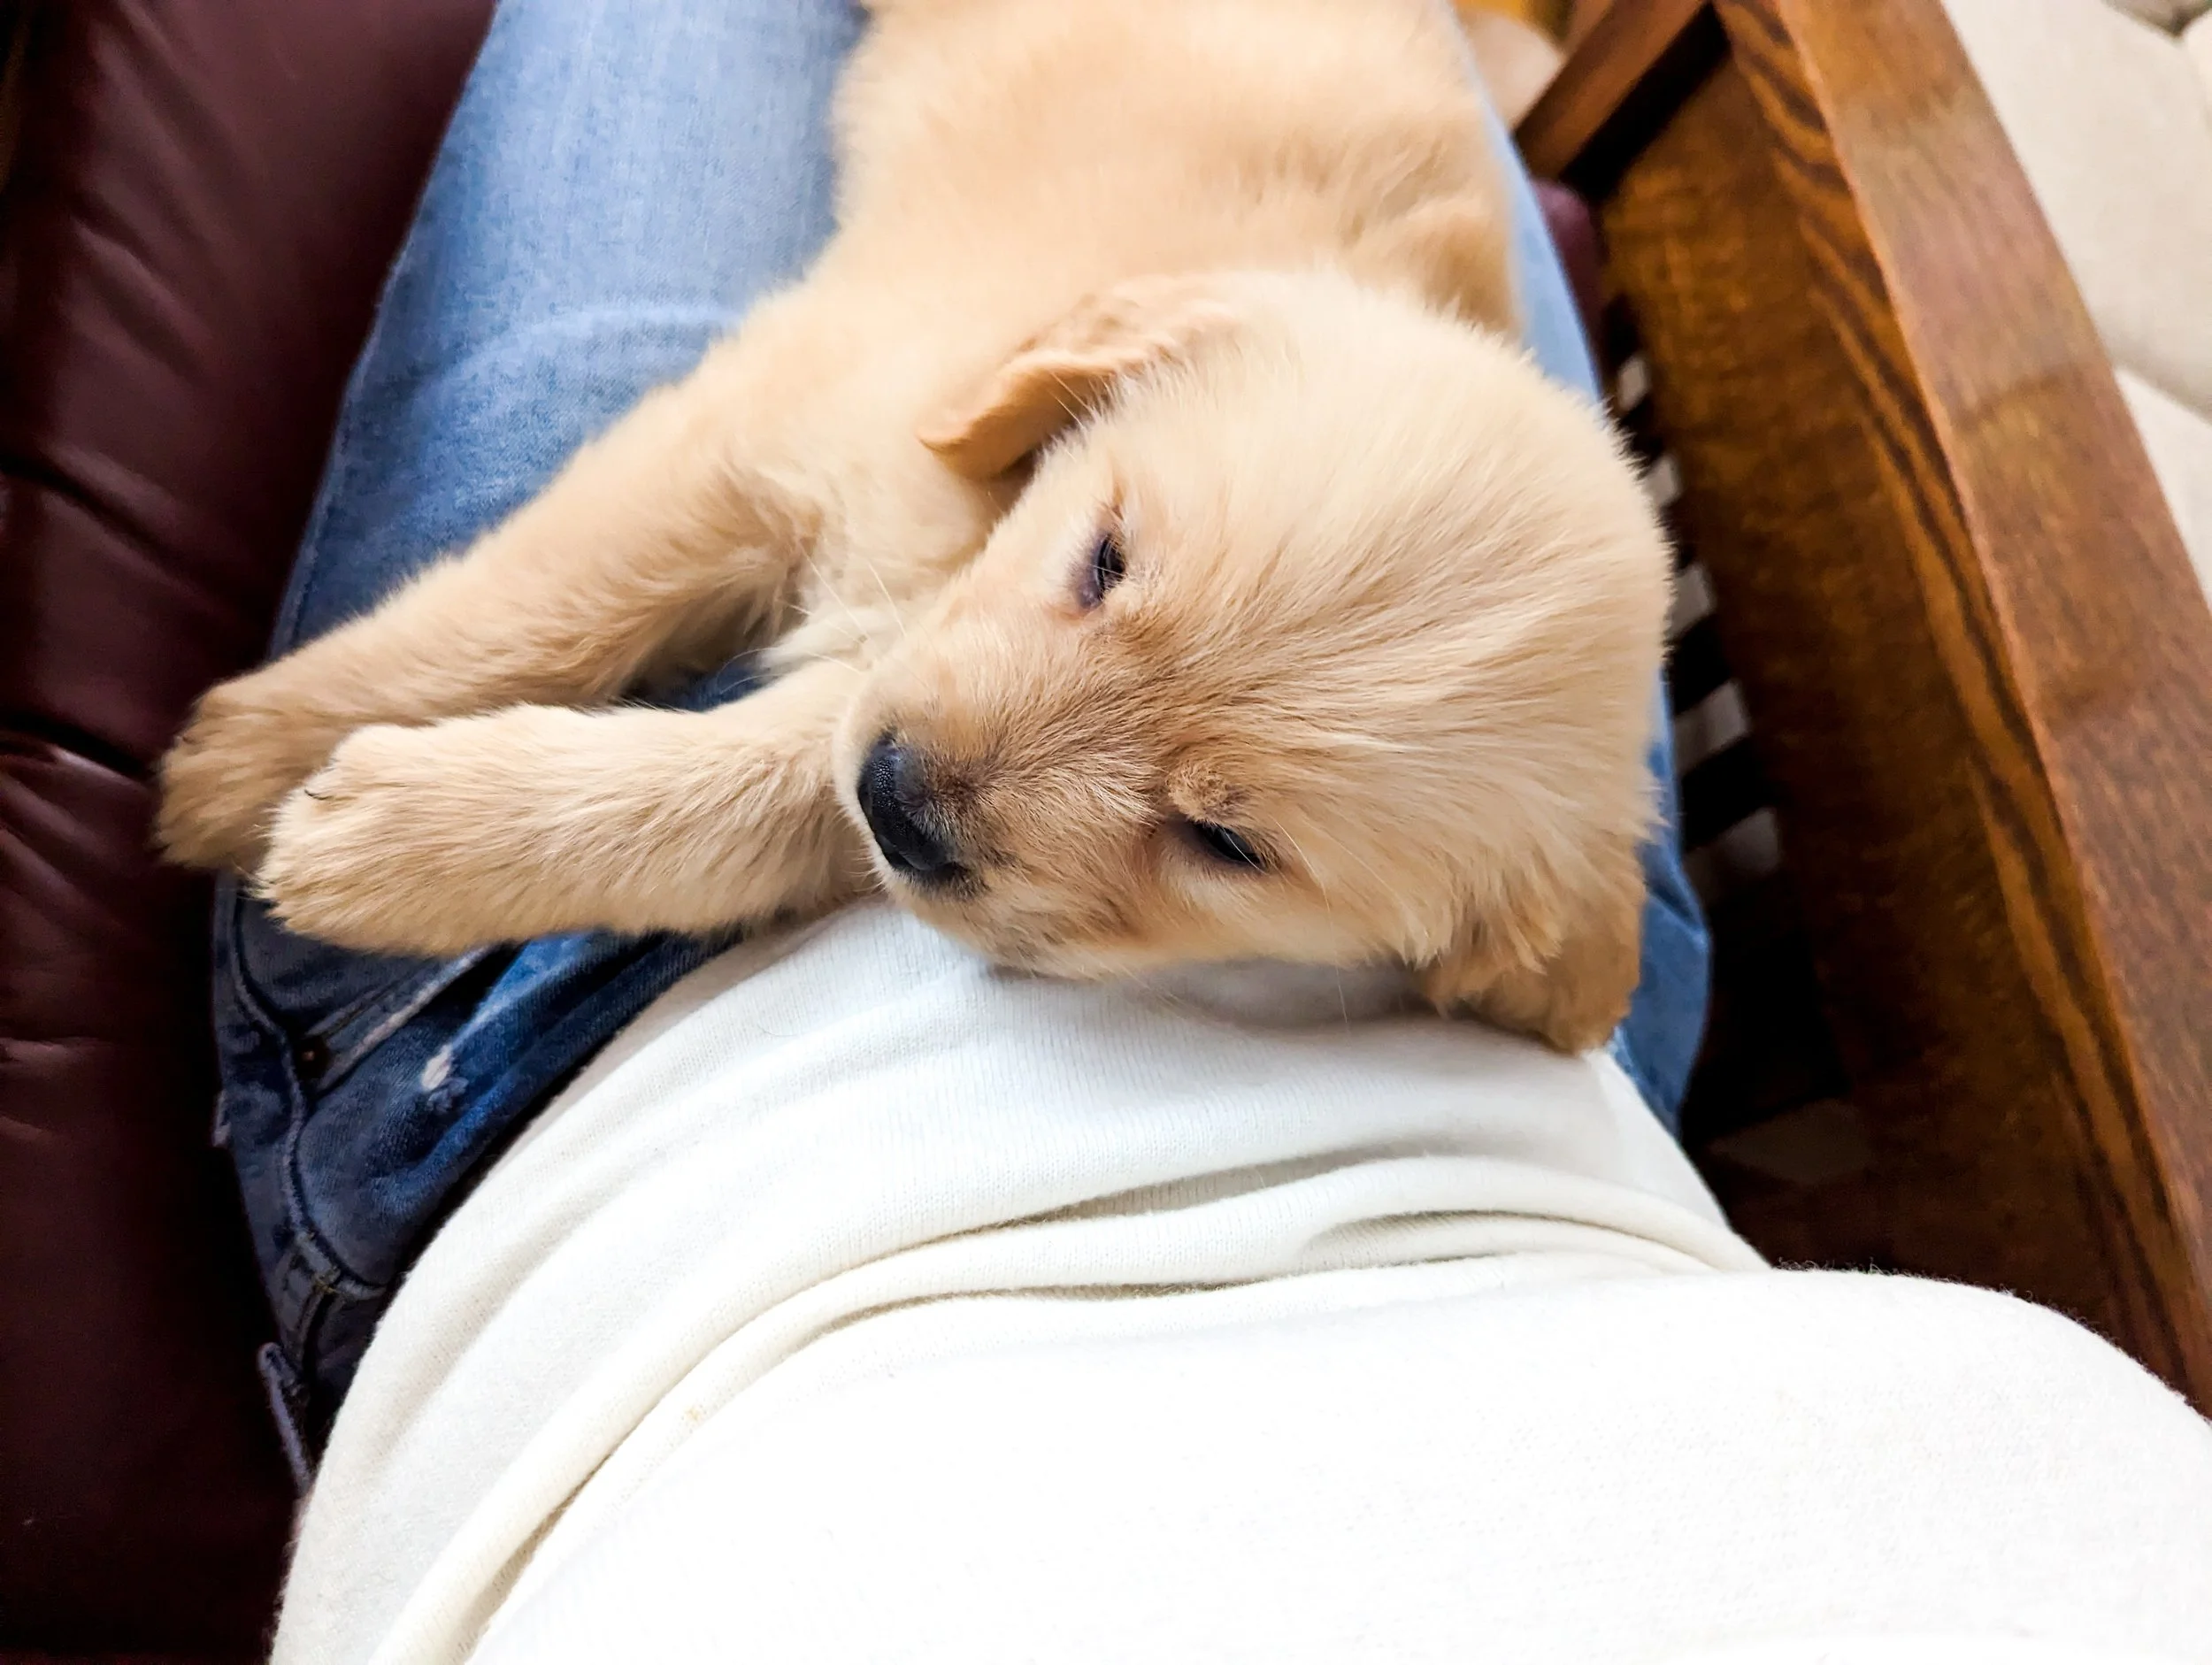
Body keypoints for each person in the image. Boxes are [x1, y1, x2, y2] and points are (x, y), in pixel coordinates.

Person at [227, 4, 2212, 1661]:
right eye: (1101, 563)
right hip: (1569, 1145)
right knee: (1400, 195)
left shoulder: (1523, 898)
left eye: (1214, 834)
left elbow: (820, 478)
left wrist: (757, 774)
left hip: (622, 1103)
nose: (951, 791)